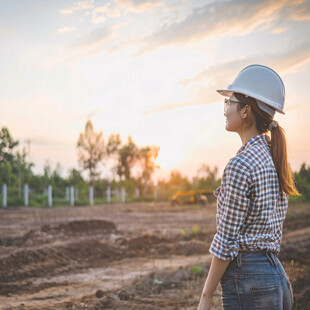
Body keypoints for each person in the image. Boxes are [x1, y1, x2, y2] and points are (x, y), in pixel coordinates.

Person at [197, 64, 300, 310]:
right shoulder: (273, 158)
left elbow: (225, 241)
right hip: (278, 280)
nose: (225, 112)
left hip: (249, 283)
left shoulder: (240, 164)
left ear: (245, 111)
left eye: (228, 104)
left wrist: (205, 296)